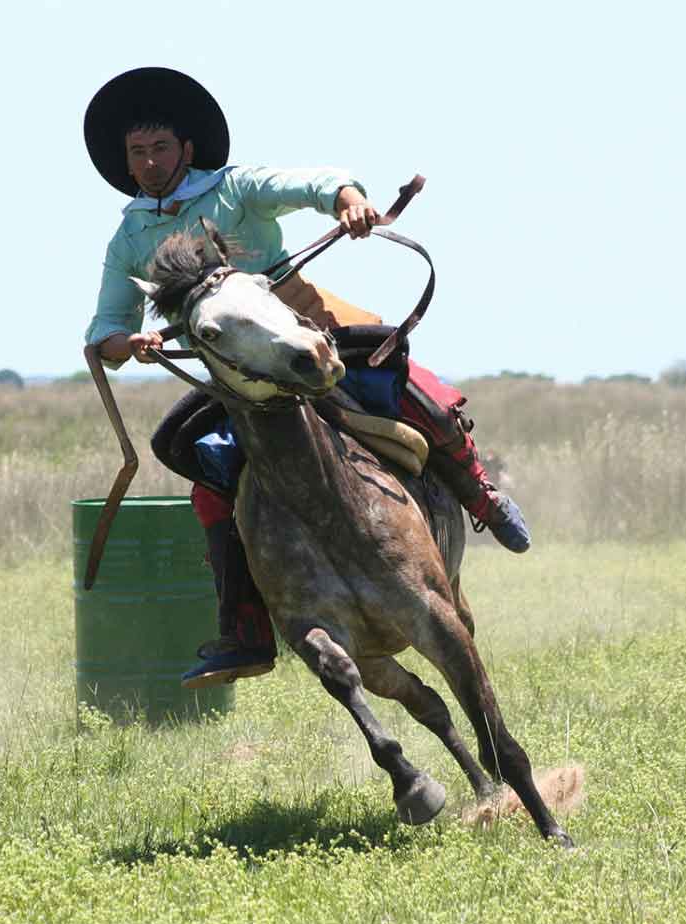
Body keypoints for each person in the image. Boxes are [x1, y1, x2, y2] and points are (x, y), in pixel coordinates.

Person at [82, 67, 529, 688]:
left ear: (186, 149)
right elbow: (104, 328)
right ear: (126, 163)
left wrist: (348, 200)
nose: (152, 161)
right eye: (138, 152)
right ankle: (246, 629)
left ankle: (481, 494)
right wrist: (127, 342)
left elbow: (315, 183)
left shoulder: (235, 188)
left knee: (409, 385)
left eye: (161, 147)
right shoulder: (129, 238)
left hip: (305, 326)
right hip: (235, 374)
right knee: (206, 484)